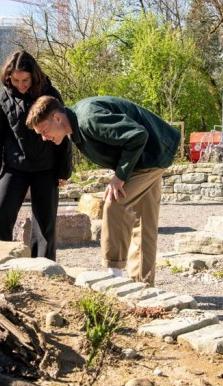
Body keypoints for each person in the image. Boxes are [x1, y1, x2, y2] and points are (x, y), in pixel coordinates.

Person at [26, 95, 180, 285]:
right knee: (145, 221)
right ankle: (144, 284)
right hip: (151, 154)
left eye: (44, 131)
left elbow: (137, 135)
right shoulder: (76, 127)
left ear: (57, 118)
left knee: (114, 202)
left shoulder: (90, 119)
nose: (44, 138)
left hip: (152, 156)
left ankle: (113, 273)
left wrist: (120, 176)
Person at [0, 50, 72, 260]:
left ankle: (43, 269)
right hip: (15, 167)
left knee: (45, 225)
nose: (21, 84)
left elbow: (63, 131)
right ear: (8, 77)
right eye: (15, 80)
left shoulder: (51, 93)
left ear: (34, 75)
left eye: (25, 79)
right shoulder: (0, 97)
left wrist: (64, 170)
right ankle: (1, 262)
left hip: (47, 167)